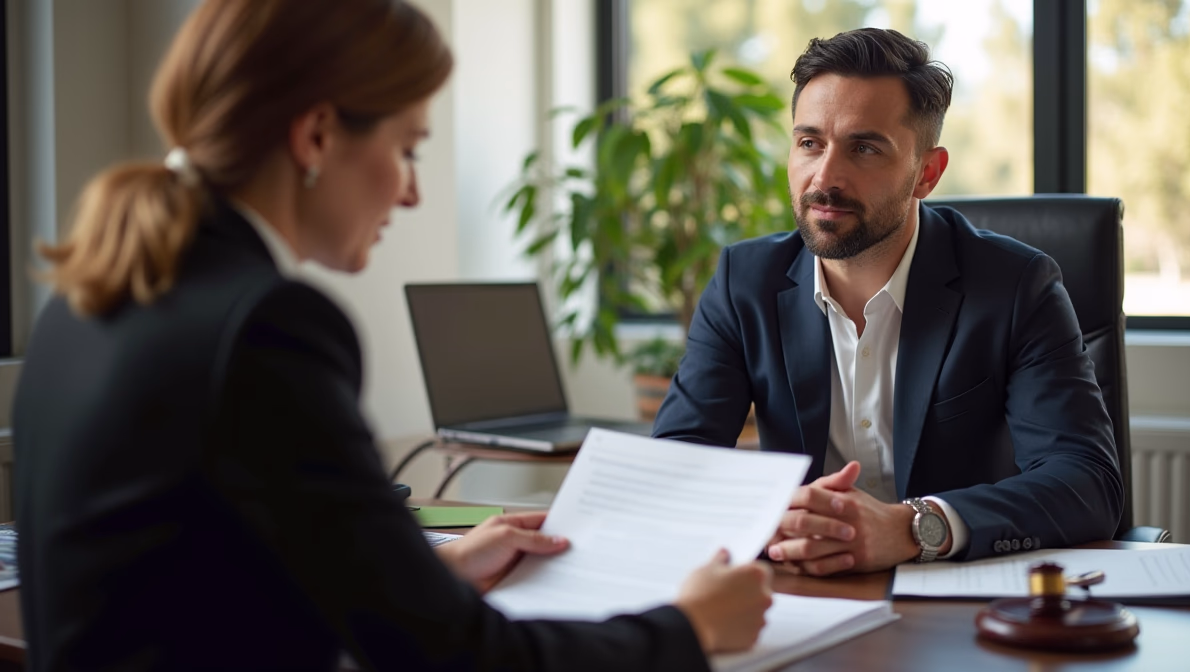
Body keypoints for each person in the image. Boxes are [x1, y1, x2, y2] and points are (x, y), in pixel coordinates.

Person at [12, 1, 773, 670]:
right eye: (408, 149)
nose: (411, 190)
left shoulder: (92, 292)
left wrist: (425, 579)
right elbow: (460, 658)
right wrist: (689, 627)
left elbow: (212, 594)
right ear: (315, 136)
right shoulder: (264, 328)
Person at [652, 27, 1123, 575]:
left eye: (865, 147)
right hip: (804, 592)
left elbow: (1087, 482)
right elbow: (676, 461)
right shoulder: (744, 282)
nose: (824, 177)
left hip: (959, 598)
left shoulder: (1017, 286)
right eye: (809, 143)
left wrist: (912, 527)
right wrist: (771, 516)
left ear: (927, 172)